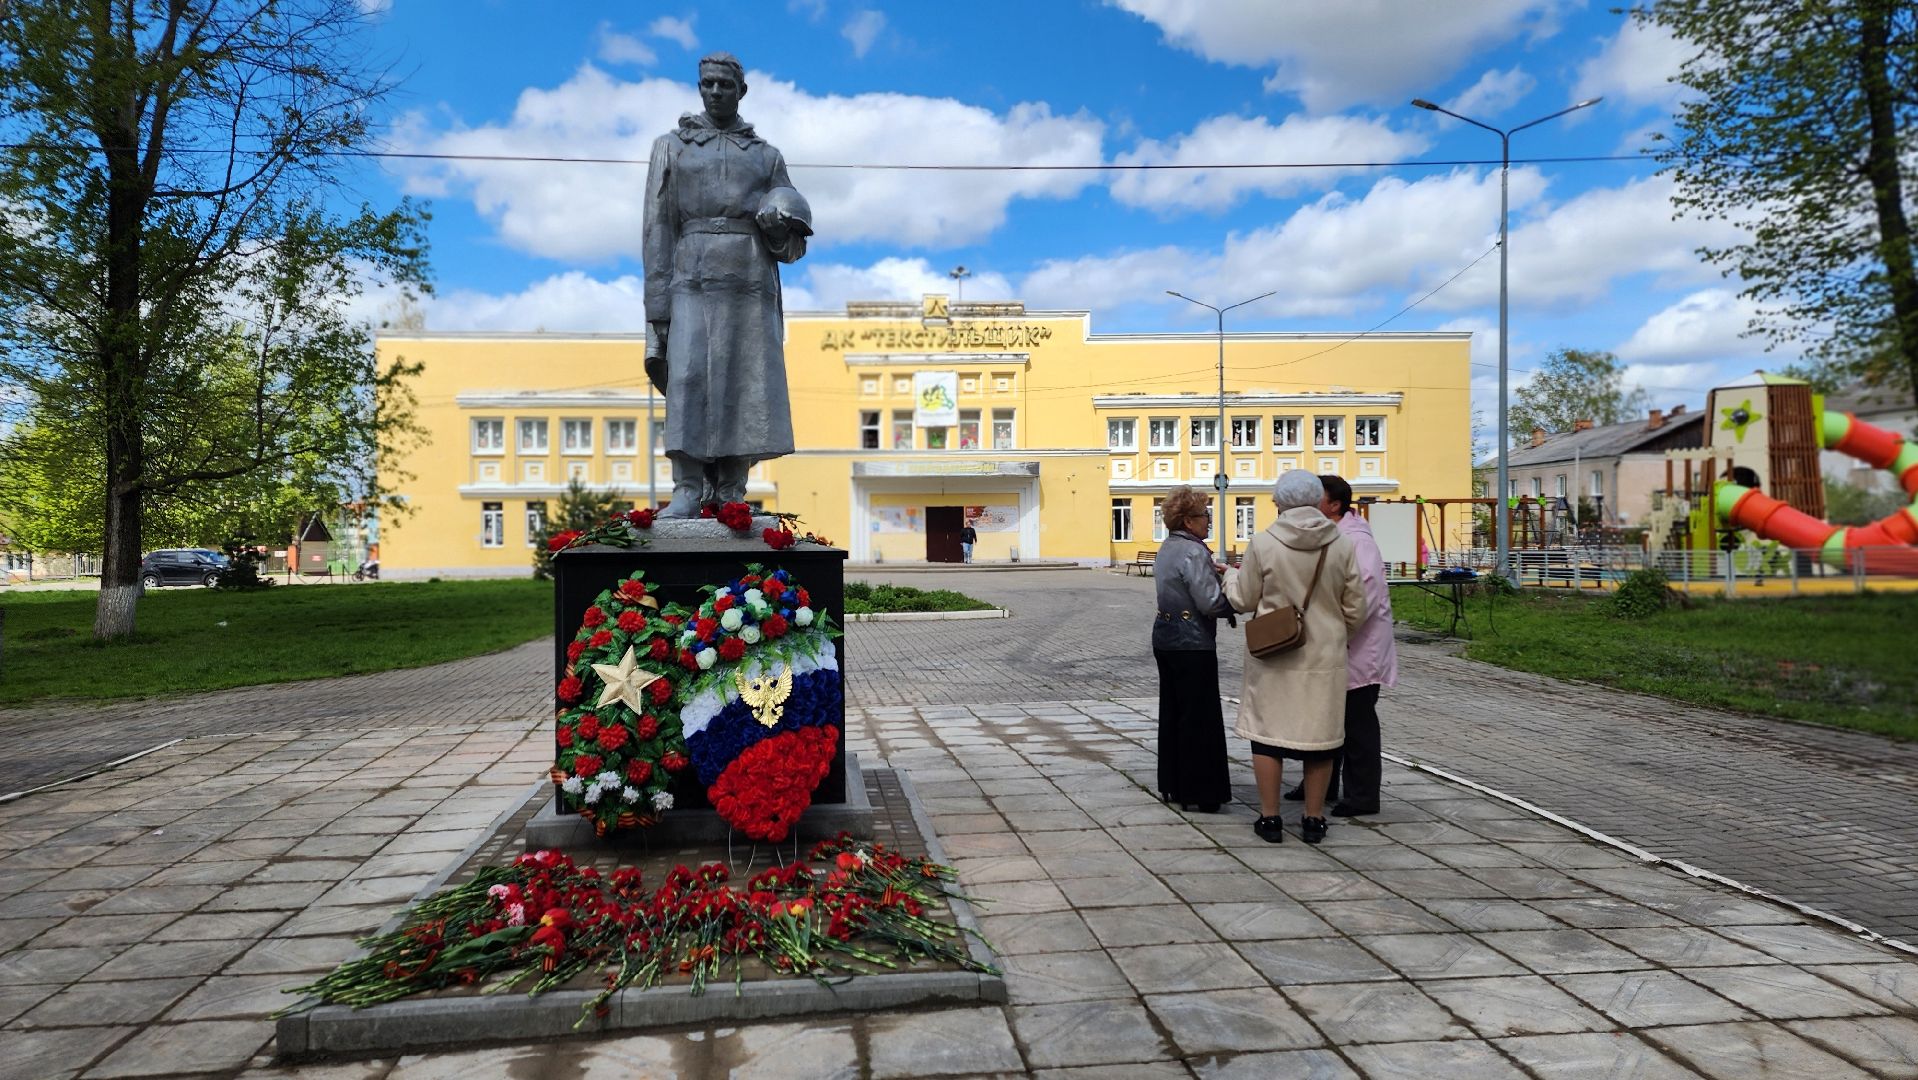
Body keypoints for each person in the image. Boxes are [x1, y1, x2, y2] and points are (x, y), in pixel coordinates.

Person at [643, 52, 812, 516]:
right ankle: (687, 486)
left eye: (724, 85)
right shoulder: (672, 146)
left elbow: (793, 244)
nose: (715, 92)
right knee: (690, 375)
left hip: (751, 277)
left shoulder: (765, 156)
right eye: (707, 84)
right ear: (700, 88)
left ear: (741, 91)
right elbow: (657, 227)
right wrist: (656, 304)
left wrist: (779, 225)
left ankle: (733, 489)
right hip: (690, 274)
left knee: (745, 378)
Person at [1225, 471, 1367, 844]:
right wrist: (1335, 636)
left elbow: (1243, 599)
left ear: (1281, 503)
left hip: (1274, 654)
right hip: (1324, 656)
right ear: (1317, 500)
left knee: (1267, 736)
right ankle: (1314, 818)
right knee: (1320, 737)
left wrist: (1228, 578)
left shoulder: (1263, 542)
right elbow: (1356, 606)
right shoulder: (1341, 543)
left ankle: (1270, 819)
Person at [1150, 487, 1234, 813]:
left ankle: (1173, 783)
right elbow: (1209, 602)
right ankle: (1203, 790)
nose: (1209, 522)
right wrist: (1235, 601)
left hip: (1165, 638)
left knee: (1173, 712)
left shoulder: (1167, 547)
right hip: (1193, 642)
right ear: (1188, 519)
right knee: (1200, 718)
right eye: (1204, 516)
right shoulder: (1194, 552)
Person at [1319, 475, 1396, 817]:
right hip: (1341, 644)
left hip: (1358, 647)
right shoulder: (1337, 536)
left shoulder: (1356, 541)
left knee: (1357, 723)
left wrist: (1336, 635)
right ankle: (1322, 784)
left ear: (1334, 505)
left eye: (1315, 498)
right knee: (1331, 718)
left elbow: (1362, 597)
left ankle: (1362, 796)